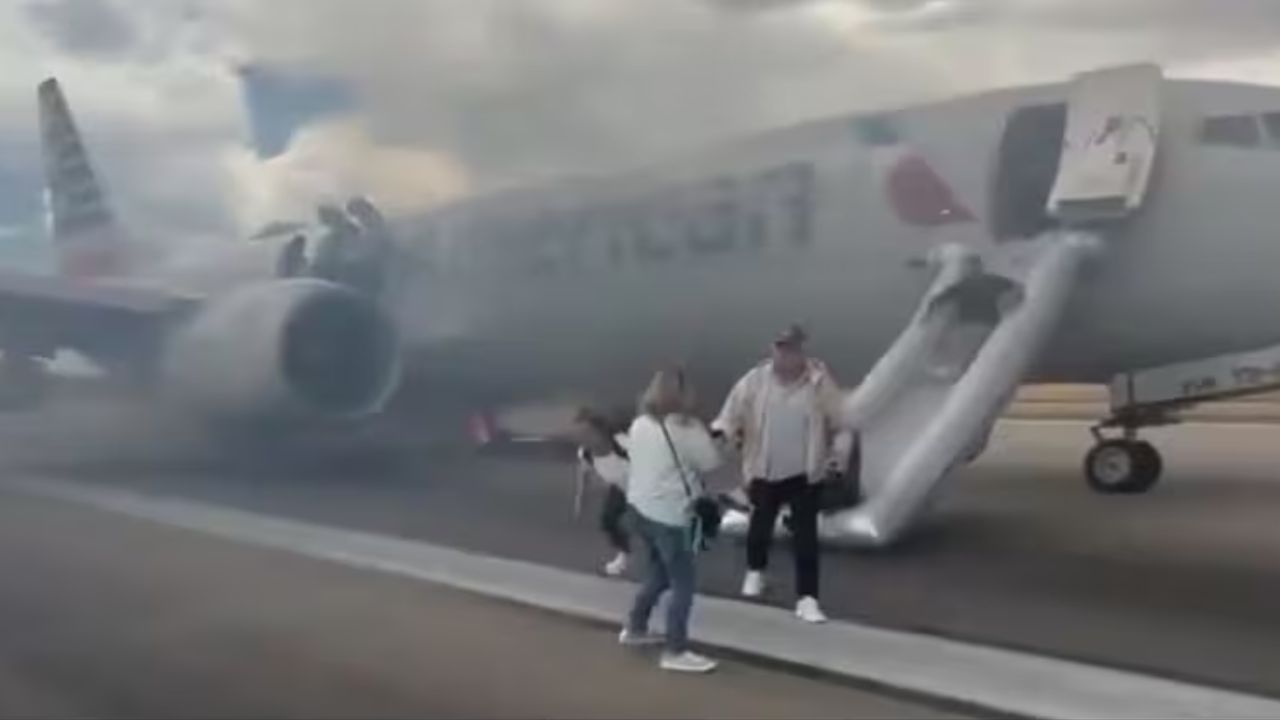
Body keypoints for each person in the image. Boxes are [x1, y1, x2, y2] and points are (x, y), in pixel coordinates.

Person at [712, 324, 848, 624]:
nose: (786, 356)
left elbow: (840, 420)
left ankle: (808, 599)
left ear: (802, 352)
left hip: (804, 472)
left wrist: (837, 457)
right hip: (764, 468)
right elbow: (731, 413)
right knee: (760, 525)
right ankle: (755, 572)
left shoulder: (819, 382)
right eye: (781, 349)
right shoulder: (754, 380)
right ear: (773, 350)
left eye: (792, 350)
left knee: (806, 537)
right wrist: (722, 432)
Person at [622, 368, 721, 673]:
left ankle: (635, 627)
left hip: (641, 510)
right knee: (682, 583)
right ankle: (675, 650)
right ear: (684, 394)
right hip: (672, 516)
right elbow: (711, 463)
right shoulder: (689, 430)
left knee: (659, 573)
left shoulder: (639, 424)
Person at [573, 408, 632, 577]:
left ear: (601, 432)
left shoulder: (623, 443)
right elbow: (584, 475)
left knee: (650, 527)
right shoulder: (585, 453)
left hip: (646, 488)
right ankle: (624, 556)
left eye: (588, 433)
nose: (583, 438)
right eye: (579, 434)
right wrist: (580, 500)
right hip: (621, 487)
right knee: (608, 520)